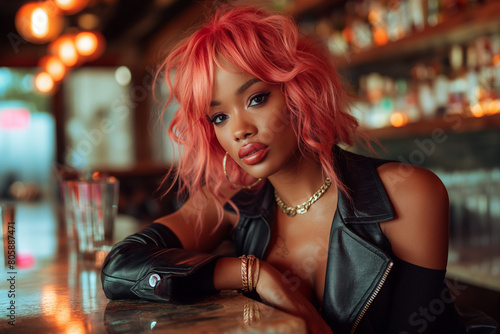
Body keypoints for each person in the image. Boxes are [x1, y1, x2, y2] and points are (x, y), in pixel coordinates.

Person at [101, 5, 497, 334]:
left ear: (298, 92)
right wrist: (252, 273)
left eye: (256, 98)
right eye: (218, 117)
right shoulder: (230, 203)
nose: (240, 129)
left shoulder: (407, 195)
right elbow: (120, 267)